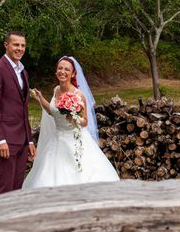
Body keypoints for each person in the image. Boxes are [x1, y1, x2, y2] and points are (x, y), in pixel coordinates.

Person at [22, 56, 119, 188]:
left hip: (75, 138)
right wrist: (41, 98)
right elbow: (52, 111)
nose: (63, 71)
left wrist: (75, 118)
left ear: (73, 73)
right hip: (58, 138)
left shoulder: (78, 95)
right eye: (60, 68)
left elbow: (85, 122)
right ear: (56, 72)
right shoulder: (56, 90)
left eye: (67, 69)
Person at [0, 31, 36, 194]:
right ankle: (0, 218)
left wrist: (29, 140)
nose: (20, 48)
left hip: (22, 139)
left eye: (22, 45)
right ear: (6, 45)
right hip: (6, 138)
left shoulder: (23, 72)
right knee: (6, 186)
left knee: (18, 185)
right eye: (16, 44)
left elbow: (23, 109)